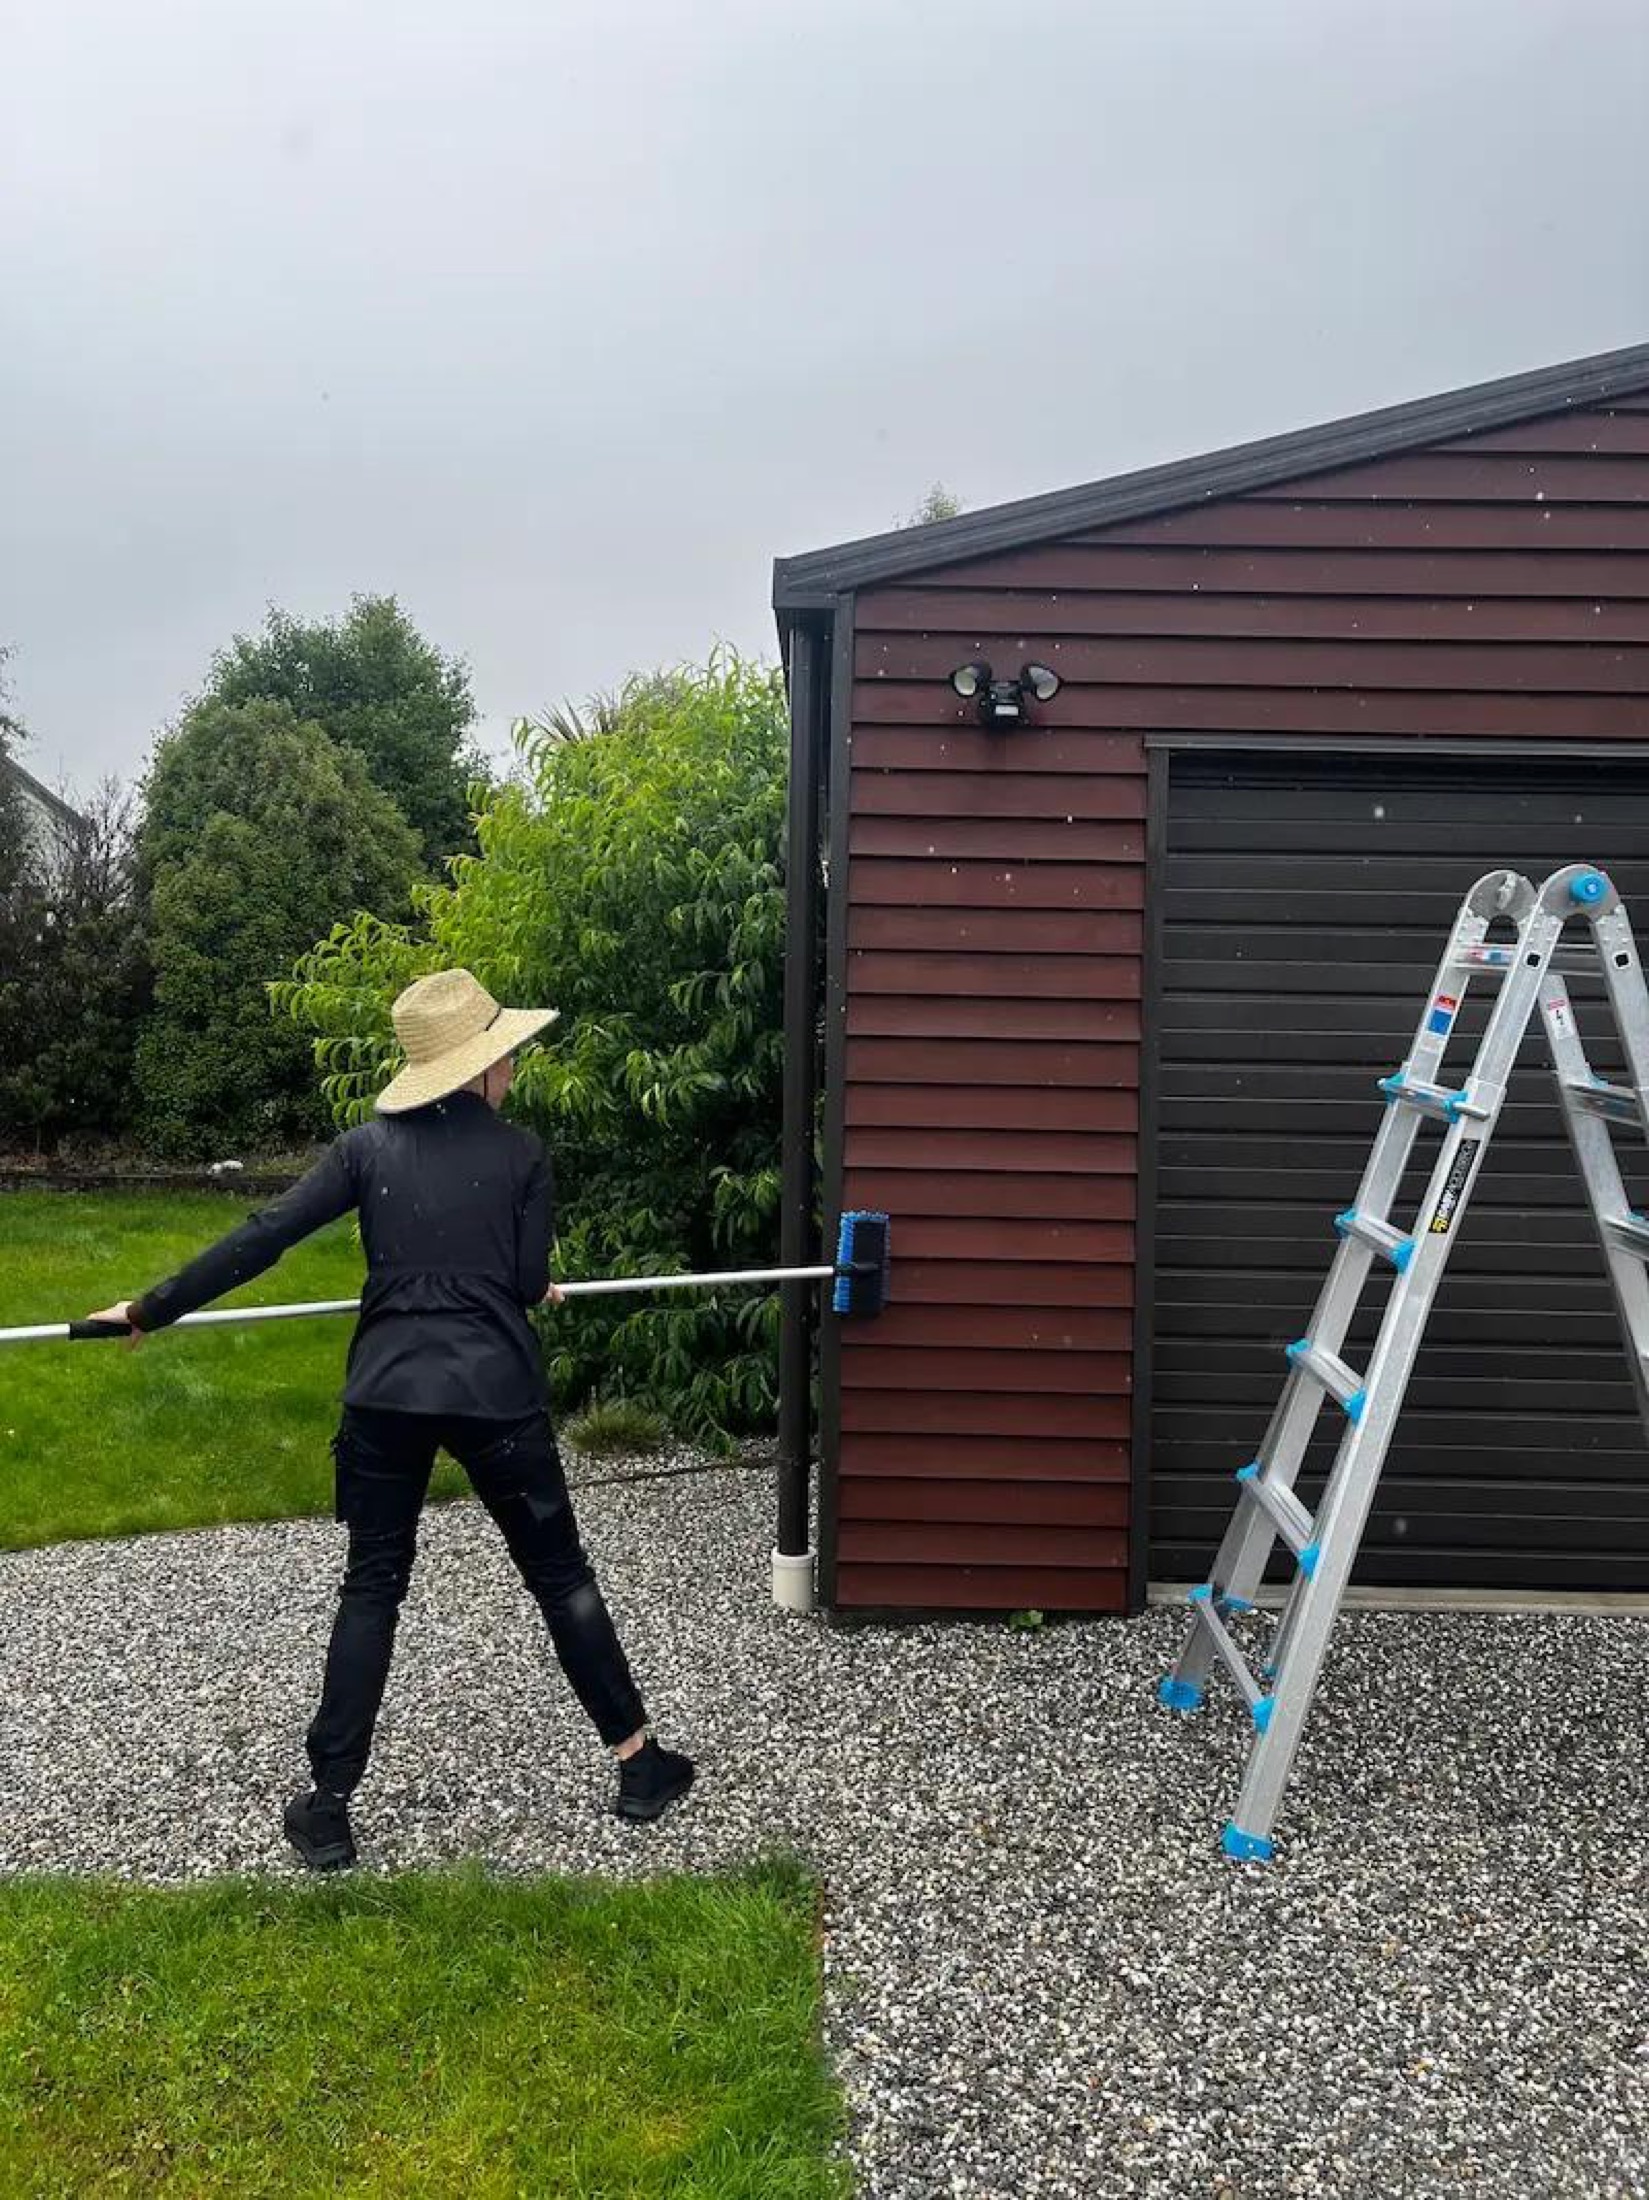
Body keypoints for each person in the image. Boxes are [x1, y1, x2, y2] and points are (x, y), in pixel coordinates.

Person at [88, 967, 694, 1870]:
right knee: (559, 1576)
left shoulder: (364, 1149)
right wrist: (528, 1286)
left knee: (373, 1586)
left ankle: (329, 1806)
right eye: (506, 1057)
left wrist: (150, 1308)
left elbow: (266, 1235)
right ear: (478, 1068)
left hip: (386, 1395)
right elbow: (525, 1280)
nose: (513, 1070)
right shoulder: (522, 1154)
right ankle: (638, 1765)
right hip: (496, 1396)